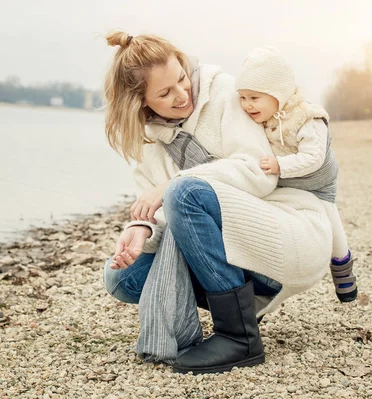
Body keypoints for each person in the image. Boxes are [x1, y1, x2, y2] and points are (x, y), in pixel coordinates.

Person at [102, 31, 332, 374]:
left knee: (184, 192)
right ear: (141, 102)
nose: (182, 95)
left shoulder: (225, 93)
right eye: (165, 93)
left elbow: (259, 172)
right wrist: (141, 228)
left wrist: (171, 185)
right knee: (120, 279)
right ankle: (228, 298)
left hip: (286, 227)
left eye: (181, 78)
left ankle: (239, 337)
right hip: (226, 237)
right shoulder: (146, 138)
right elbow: (164, 210)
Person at [235, 46, 357, 302]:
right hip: (288, 179)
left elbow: (314, 158)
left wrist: (280, 165)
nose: (247, 105)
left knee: (330, 218)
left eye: (254, 98)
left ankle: (343, 271)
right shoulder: (263, 116)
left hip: (317, 180)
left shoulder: (307, 118)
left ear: (277, 94)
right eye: (242, 97)